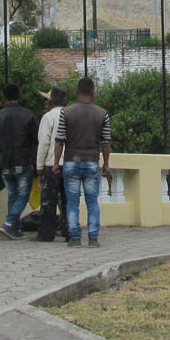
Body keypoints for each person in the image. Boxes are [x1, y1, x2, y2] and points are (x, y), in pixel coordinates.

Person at [51, 77, 111, 247]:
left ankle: (75, 237)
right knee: (92, 202)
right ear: (92, 92)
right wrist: (106, 164)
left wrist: (56, 163)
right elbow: (106, 142)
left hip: (71, 161)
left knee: (72, 203)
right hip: (92, 161)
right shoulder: (102, 113)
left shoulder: (66, 112)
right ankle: (93, 238)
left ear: (76, 91)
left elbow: (59, 140)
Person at [0, 83, 39, 240]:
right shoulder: (28, 115)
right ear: (19, 96)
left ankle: (15, 228)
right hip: (23, 160)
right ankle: (10, 222)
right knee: (23, 195)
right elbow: (37, 138)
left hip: (3, 161)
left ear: (3, 97)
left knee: (12, 195)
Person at [35, 86, 68, 241]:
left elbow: (44, 143)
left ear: (52, 102)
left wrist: (39, 166)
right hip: (69, 163)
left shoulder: (48, 117)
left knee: (48, 201)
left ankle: (46, 233)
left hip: (51, 163)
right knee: (68, 200)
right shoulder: (70, 115)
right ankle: (69, 231)